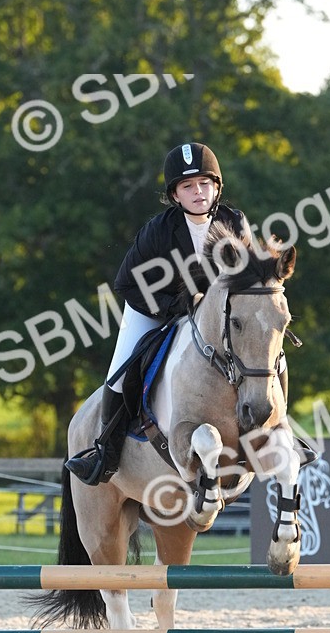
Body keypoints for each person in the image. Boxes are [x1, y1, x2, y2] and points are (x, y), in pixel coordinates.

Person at [66, 141, 256, 485]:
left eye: (204, 183)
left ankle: (277, 431)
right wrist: (177, 306)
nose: (198, 192)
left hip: (216, 318)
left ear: (217, 187)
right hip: (155, 309)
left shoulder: (234, 222)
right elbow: (126, 284)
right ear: (175, 195)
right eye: (187, 186)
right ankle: (104, 452)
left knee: (264, 350)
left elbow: (248, 278)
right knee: (120, 372)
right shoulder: (158, 231)